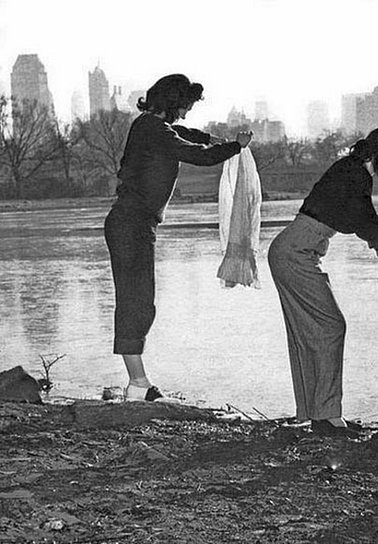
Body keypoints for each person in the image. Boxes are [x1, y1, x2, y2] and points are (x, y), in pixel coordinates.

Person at [268, 124, 378, 437]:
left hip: (296, 252)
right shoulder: (355, 174)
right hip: (295, 254)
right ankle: (326, 416)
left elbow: (366, 223)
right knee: (331, 327)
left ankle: (321, 414)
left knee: (312, 333)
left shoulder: (353, 171)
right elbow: (368, 224)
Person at [104, 74, 253, 401]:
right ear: (173, 102)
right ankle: (138, 385)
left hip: (134, 224)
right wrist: (234, 147)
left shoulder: (150, 126)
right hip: (131, 224)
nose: (186, 112)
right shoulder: (153, 129)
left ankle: (137, 382)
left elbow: (190, 136)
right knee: (137, 301)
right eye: (185, 105)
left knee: (141, 301)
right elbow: (198, 155)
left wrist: (218, 139)